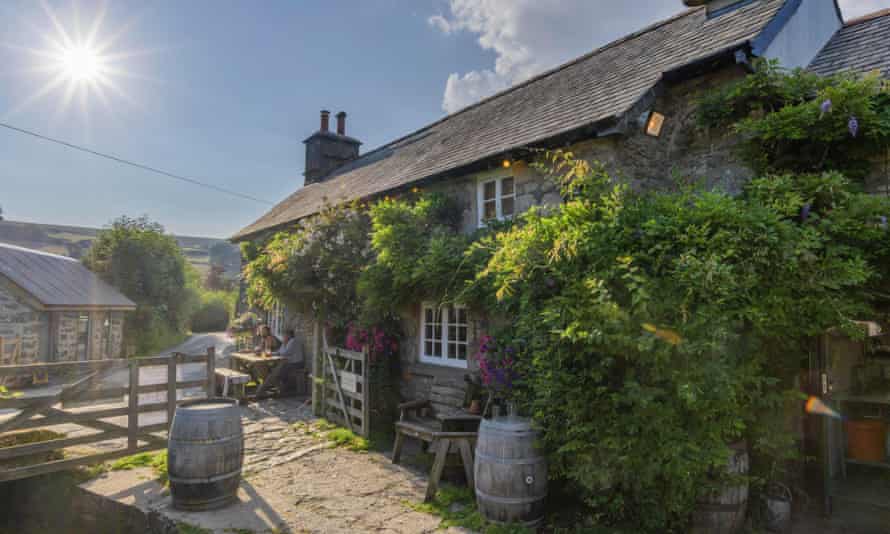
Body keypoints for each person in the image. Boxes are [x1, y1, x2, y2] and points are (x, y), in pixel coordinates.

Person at [256, 329, 304, 397]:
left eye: (284, 335)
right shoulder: (286, 342)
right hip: (288, 362)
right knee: (273, 371)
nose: (283, 336)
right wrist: (271, 354)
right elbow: (279, 352)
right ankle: (278, 388)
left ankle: (261, 390)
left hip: (296, 364)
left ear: (289, 335)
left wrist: (283, 345)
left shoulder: (293, 341)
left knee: (275, 372)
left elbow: (285, 353)